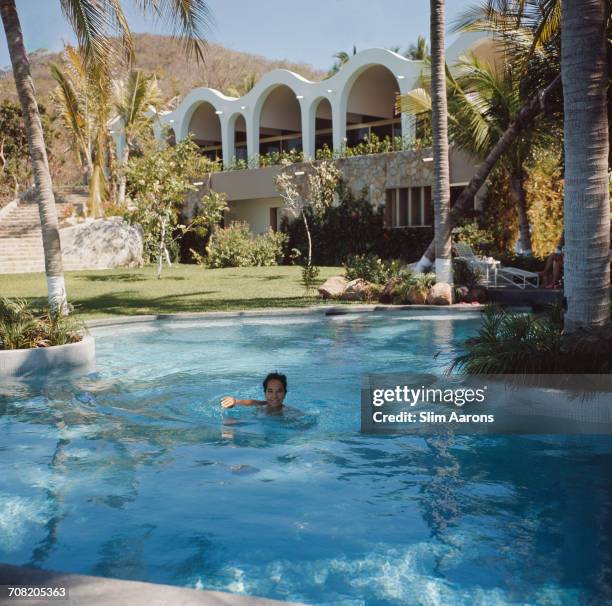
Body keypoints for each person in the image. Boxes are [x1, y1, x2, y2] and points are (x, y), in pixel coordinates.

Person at [221, 372, 287, 413]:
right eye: (270, 391)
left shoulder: (290, 413)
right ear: (265, 393)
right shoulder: (259, 405)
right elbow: (243, 402)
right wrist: (234, 401)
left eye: (279, 391)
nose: (274, 396)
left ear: (285, 394)